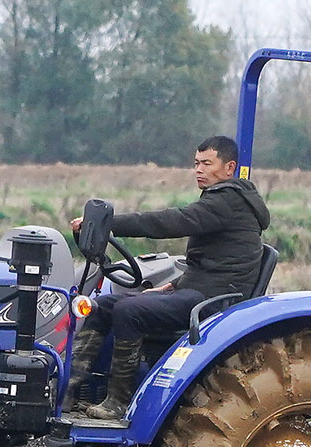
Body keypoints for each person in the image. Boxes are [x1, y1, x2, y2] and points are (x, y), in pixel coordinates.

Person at [65, 135, 272, 420]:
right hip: (198, 290)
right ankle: (68, 390)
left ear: (229, 167)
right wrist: (172, 285)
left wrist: (108, 224)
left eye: (207, 163)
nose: (199, 169)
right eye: (196, 163)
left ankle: (118, 402)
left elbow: (168, 222)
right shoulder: (222, 200)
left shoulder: (228, 201)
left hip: (213, 302)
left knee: (129, 311)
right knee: (101, 305)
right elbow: (212, 262)